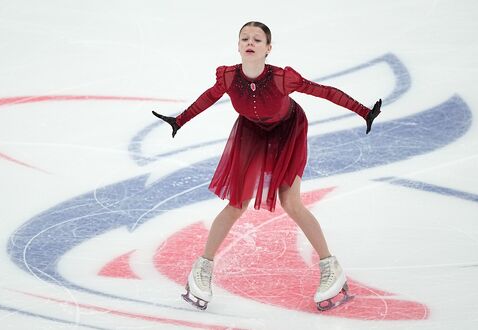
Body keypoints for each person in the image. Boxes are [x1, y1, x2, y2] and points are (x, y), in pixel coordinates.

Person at [152, 21, 381, 311]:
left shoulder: (282, 79)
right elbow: (207, 99)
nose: (250, 42)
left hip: (288, 132)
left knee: (291, 202)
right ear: (238, 45)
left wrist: (363, 111)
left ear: (268, 49)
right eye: (245, 38)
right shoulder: (228, 77)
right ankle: (203, 268)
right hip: (252, 133)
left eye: (257, 39)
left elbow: (323, 91)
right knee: (236, 204)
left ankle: (330, 266)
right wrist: (179, 120)